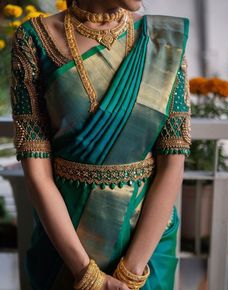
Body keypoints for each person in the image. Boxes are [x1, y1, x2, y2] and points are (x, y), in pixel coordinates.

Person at [10, 0, 191, 289]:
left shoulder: (163, 38)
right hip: (65, 242)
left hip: (147, 246)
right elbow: (37, 171)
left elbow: (173, 162)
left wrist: (131, 272)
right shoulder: (35, 39)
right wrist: (86, 275)